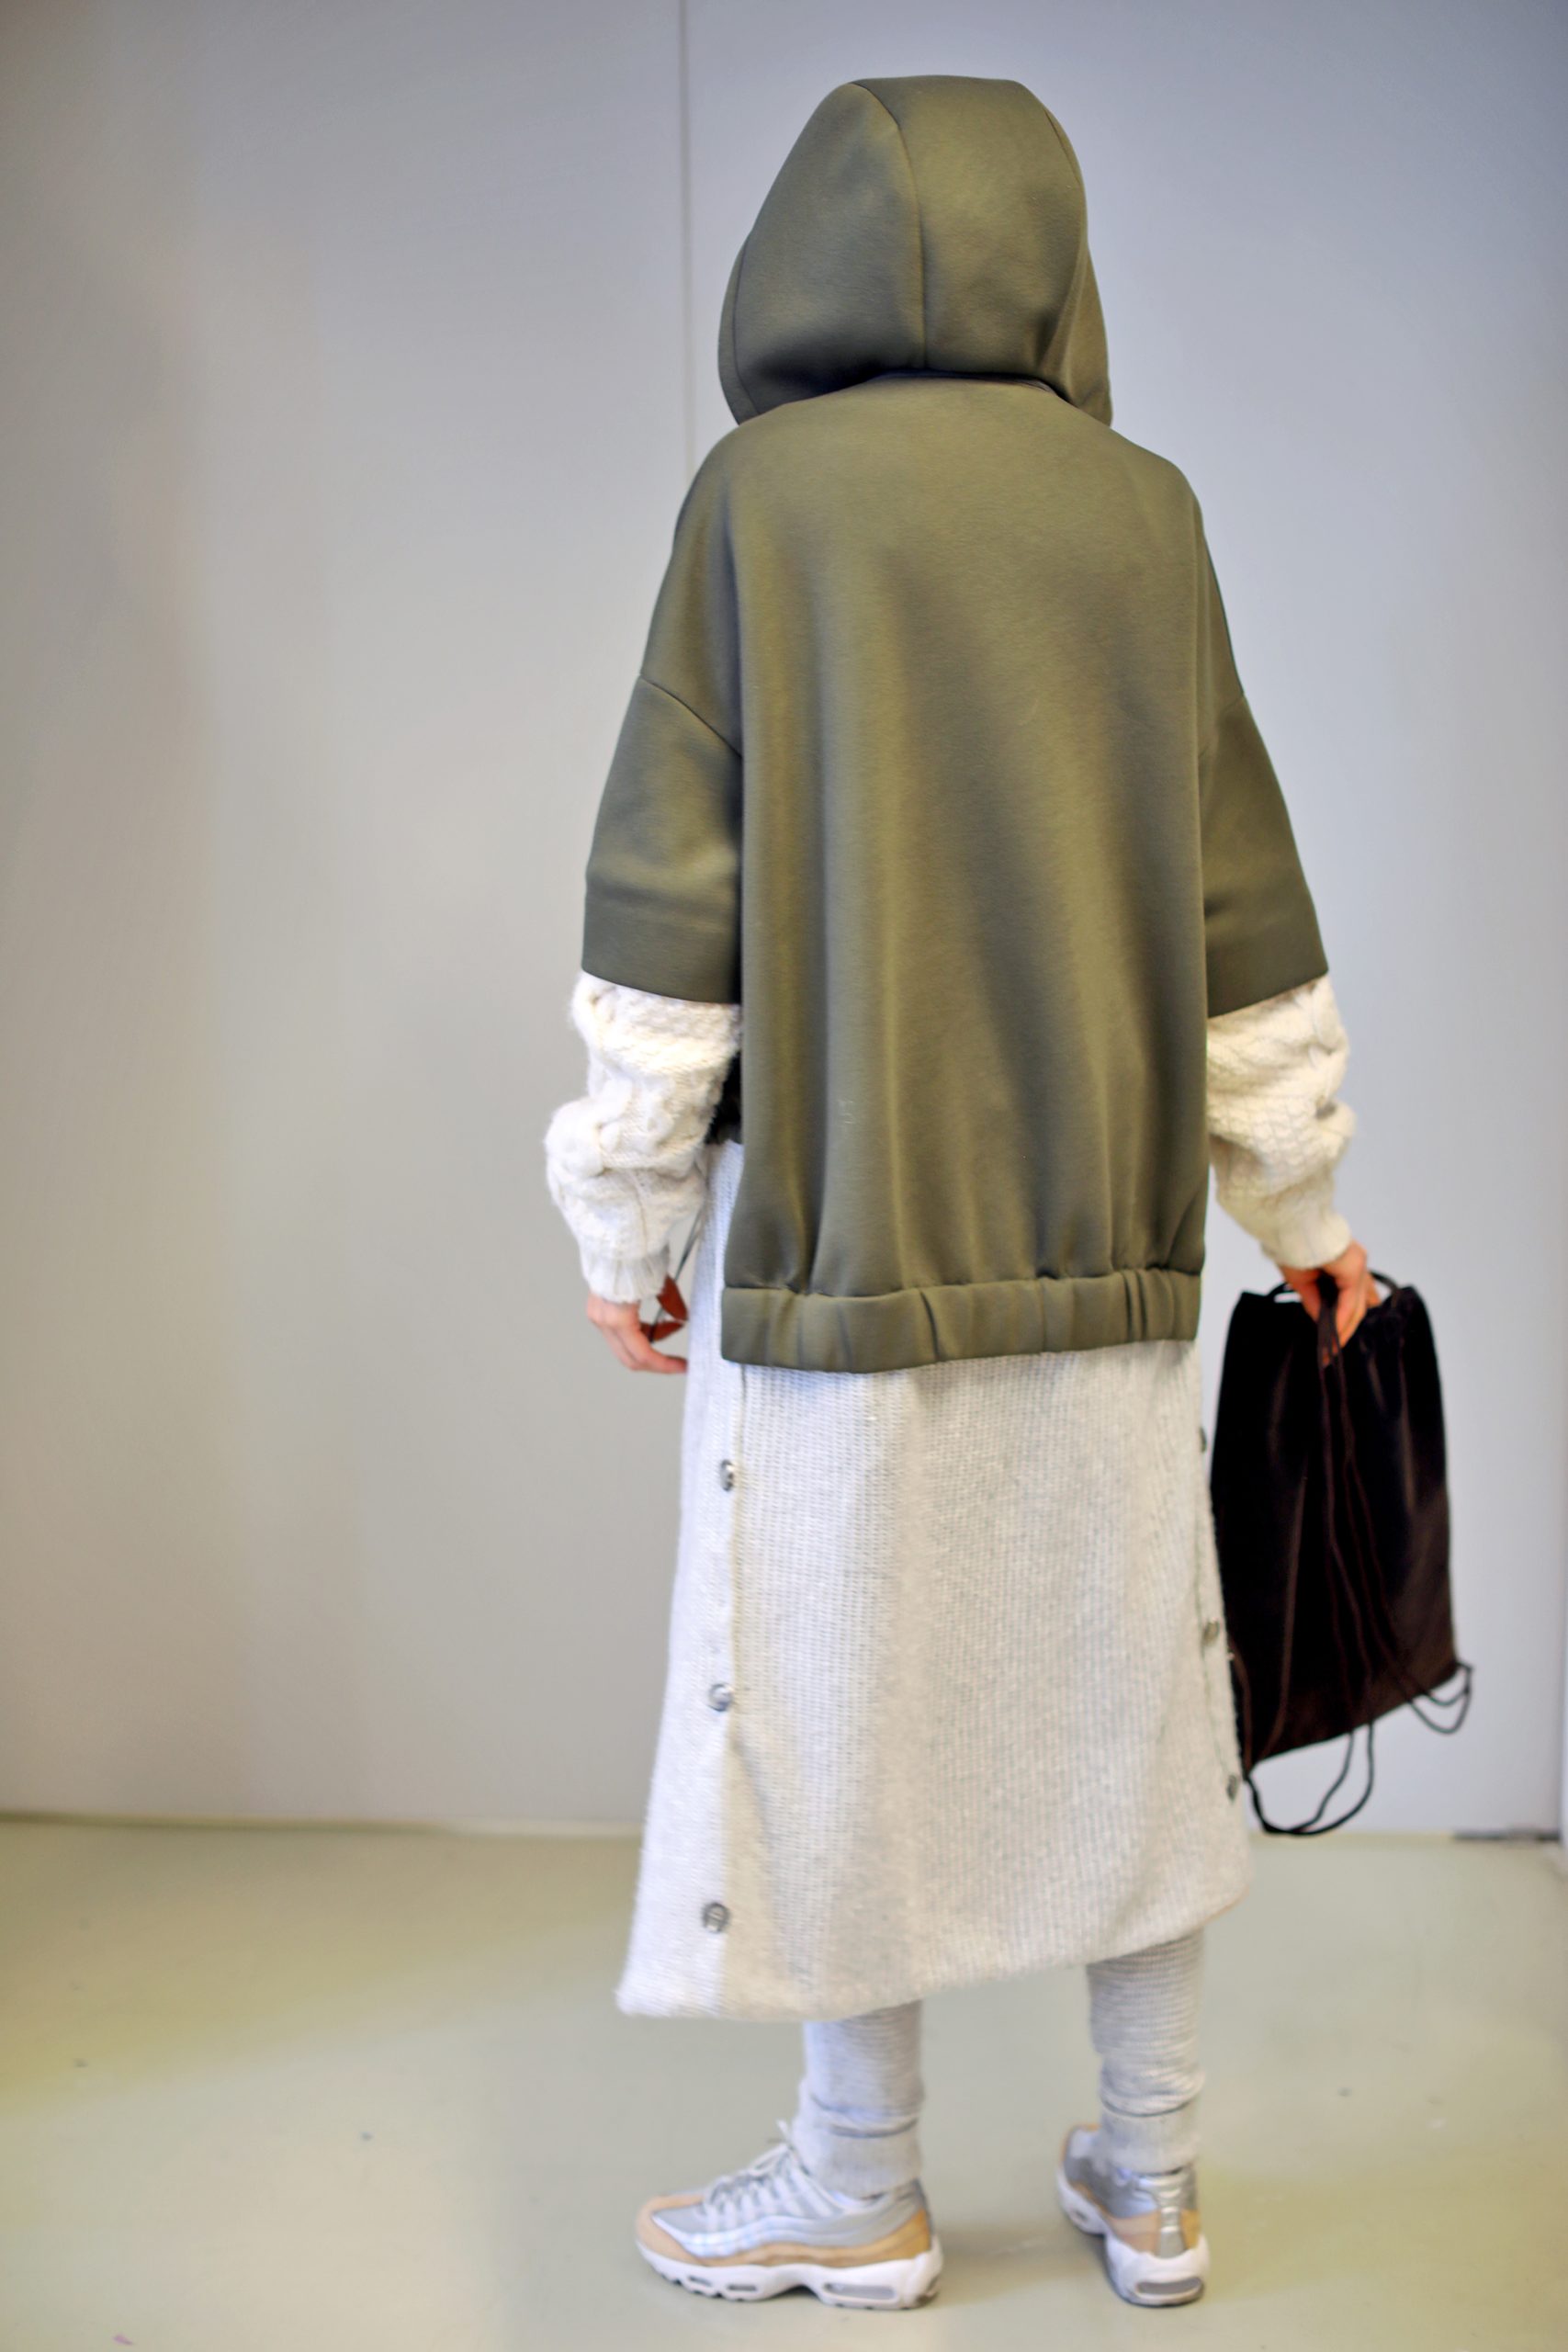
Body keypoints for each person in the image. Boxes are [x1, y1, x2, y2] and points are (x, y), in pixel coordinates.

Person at [545, 74, 1375, 2315]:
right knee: (1137, 1719)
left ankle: (857, 2180)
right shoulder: (1143, 515)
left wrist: (628, 1222)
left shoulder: (756, 506)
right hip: (1107, 1259)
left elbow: (668, 912)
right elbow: (1236, 903)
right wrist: (1302, 1217)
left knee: (837, 1720)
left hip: (838, 1260)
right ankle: (1156, 2179)